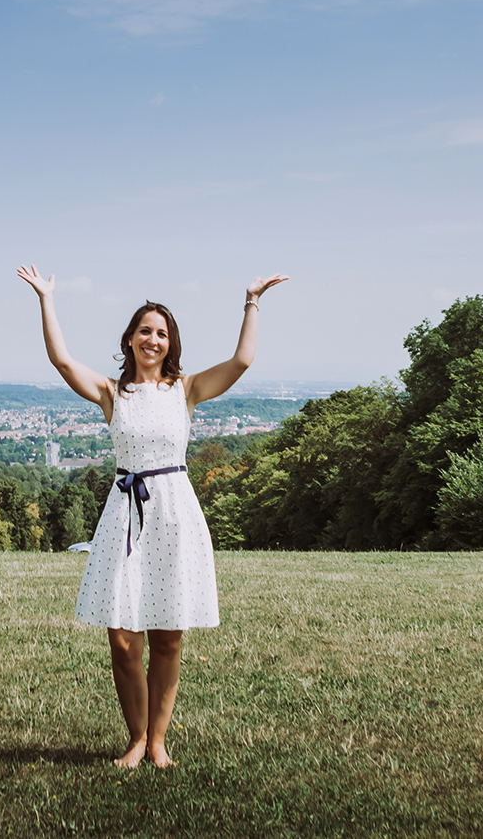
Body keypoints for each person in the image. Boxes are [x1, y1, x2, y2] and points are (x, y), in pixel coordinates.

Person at [15, 264, 287, 769]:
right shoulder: (112, 393)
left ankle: (157, 742)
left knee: (168, 633)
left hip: (174, 511)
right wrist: (46, 298)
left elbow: (243, 360)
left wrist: (252, 300)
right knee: (122, 637)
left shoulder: (185, 390)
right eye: (145, 331)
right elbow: (60, 359)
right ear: (130, 339)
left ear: (171, 343)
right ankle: (136, 738)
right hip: (126, 513)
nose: (153, 339)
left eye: (162, 333)